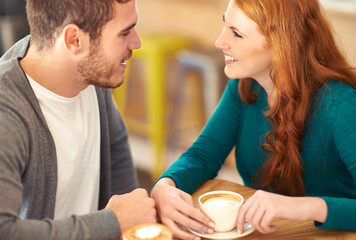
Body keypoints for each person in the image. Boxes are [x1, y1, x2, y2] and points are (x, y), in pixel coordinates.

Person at [151, 0, 356, 239]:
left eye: (236, 34)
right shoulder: (244, 86)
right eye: (225, 26)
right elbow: (203, 155)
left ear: (282, 44)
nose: (220, 42)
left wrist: (306, 207)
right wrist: (165, 186)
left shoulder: (341, 104)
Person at [0, 0, 157, 239]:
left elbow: (116, 149)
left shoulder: (90, 73)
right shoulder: (7, 115)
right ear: (74, 40)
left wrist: (134, 224)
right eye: (124, 32)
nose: (136, 42)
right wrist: (114, 222)